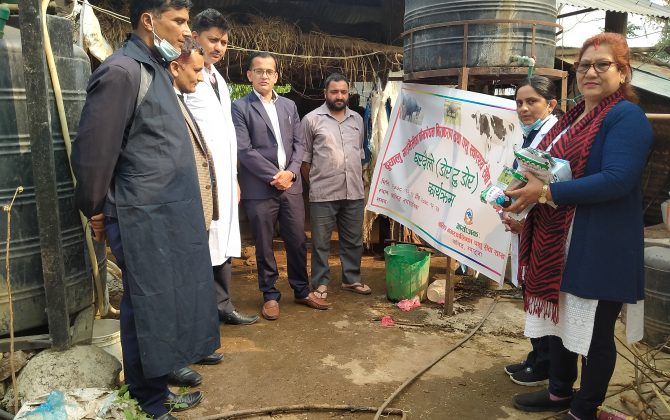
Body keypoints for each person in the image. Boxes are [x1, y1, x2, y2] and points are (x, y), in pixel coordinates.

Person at [71, 1, 220, 418]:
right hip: (141, 217)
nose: (186, 30)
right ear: (149, 21)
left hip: (166, 214)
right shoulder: (122, 73)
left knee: (159, 307)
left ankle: (153, 389)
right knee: (146, 307)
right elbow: (94, 151)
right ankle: (148, 402)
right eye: (179, 21)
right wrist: (96, 208)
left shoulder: (154, 70)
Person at [505, 33, 653, 420]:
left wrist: (545, 194)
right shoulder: (572, 119)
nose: (590, 72)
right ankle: (559, 391)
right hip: (560, 239)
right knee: (561, 320)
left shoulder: (626, 117)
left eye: (602, 65)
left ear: (623, 72)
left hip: (600, 243)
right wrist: (520, 203)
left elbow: (617, 179)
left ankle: (584, 408)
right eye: (584, 65)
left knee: (595, 333)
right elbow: (547, 170)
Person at [232, 52, 330, 320]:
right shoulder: (240, 107)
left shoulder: (289, 106)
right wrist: (275, 175)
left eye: (269, 71)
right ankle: (270, 295)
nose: (264, 76)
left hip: (290, 187)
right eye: (259, 71)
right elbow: (244, 150)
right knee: (264, 244)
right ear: (250, 75)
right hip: (260, 189)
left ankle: (301, 290)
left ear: (276, 76)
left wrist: (291, 173)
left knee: (297, 240)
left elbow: (300, 144)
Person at [186, 8, 260, 326]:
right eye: (212, 40)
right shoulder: (183, 77)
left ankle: (222, 304)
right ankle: (200, 310)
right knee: (202, 240)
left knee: (225, 236)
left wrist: (234, 177)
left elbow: (226, 133)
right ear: (195, 37)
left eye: (224, 42)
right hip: (199, 177)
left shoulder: (219, 80)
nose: (218, 47)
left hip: (225, 178)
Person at [162, 37, 226, 389]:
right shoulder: (160, 99)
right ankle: (173, 360)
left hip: (191, 209)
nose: (201, 78)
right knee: (172, 288)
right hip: (172, 210)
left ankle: (191, 346)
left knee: (191, 283)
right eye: (197, 70)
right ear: (176, 66)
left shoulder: (178, 98)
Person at [502, 75, 559, 387]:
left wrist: (523, 219)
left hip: (545, 228)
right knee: (530, 291)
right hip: (526, 225)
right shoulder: (532, 136)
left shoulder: (554, 137)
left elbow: (553, 186)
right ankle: (537, 356)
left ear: (550, 104)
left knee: (542, 294)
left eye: (532, 102)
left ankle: (546, 365)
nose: (523, 108)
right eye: (519, 102)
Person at [300, 73, 371, 301]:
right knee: (320, 243)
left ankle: (351, 279)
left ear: (348, 93)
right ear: (325, 93)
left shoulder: (357, 120)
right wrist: (316, 183)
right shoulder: (311, 120)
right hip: (323, 193)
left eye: (343, 92)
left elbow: (360, 154)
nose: (339, 96)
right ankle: (320, 283)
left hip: (353, 191)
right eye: (334, 92)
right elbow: (304, 161)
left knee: (353, 240)